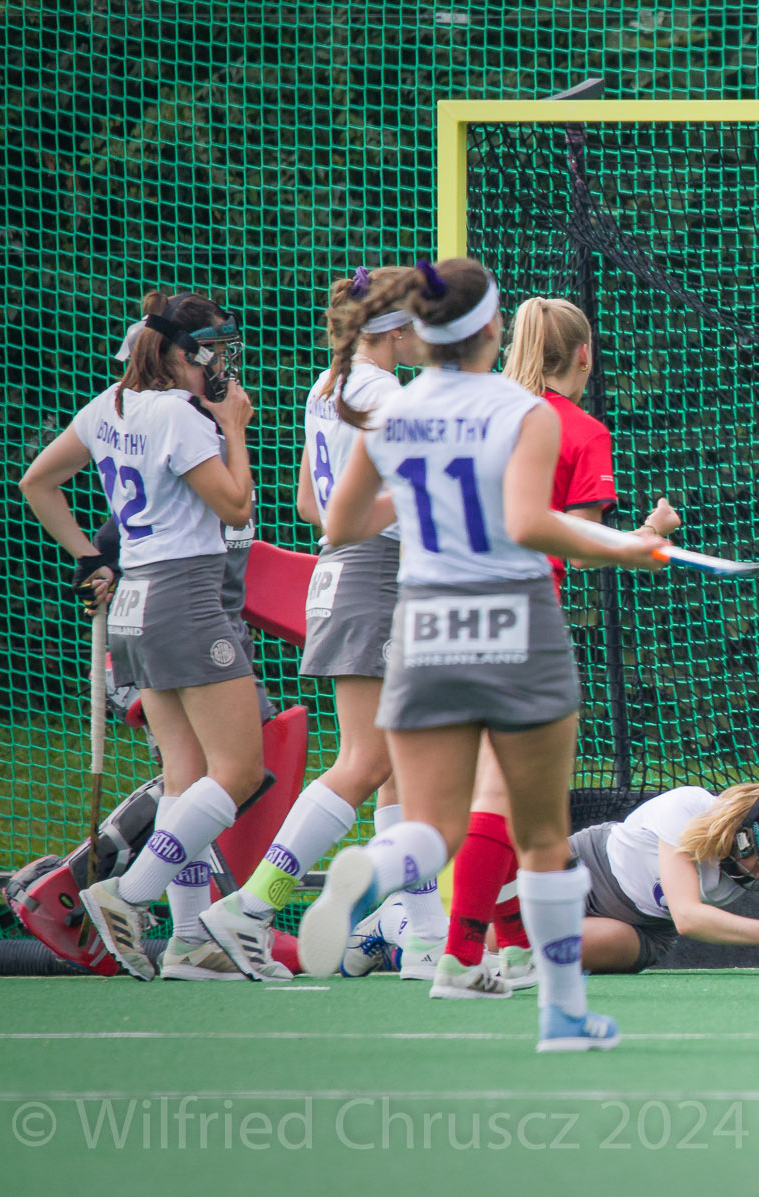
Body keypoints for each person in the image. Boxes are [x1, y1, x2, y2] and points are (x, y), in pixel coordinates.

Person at [295, 257, 671, 1052]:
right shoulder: (524, 412)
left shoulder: (394, 411)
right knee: (540, 832)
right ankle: (563, 1013)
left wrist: (415, 493)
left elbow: (339, 525)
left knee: (432, 825)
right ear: (492, 328)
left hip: (424, 625)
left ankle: (372, 869)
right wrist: (630, 545)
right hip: (514, 620)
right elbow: (532, 524)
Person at [202, 267, 451, 979]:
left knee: (399, 763)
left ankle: (423, 938)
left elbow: (310, 505)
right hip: (375, 576)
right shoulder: (386, 394)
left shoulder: (328, 386)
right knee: (366, 761)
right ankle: (253, 905)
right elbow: (412, 495)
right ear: (396, 331)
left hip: (347, 572)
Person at [431, 295, 678, 1000]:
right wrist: (649, 535)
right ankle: (459, 954)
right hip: (519, 612)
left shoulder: (480, 413)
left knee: (504, 794)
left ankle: (512, 950)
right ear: (584, 355)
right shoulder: (578, 430)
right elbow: (584, 545)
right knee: (504, 793)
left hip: (444, 604)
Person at [19, 291, 263, 981]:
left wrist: (88, 557)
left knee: (185, 777)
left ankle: (187, 940)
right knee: (238, 771)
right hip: (185, 597)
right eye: (213, 351)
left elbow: (37, 481)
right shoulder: (180, 414)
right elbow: (236, 504)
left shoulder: (109, 405)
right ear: (183, 353)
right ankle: (127, 893)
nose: (220, 365)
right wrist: (233, 428)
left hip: (134, 599)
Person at [568, 782, 759, 977]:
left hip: (644, 932)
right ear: (744, 837)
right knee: (540, 935)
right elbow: (687, 917)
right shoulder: (687, 807)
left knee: (555, 951)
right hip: (586, 869)